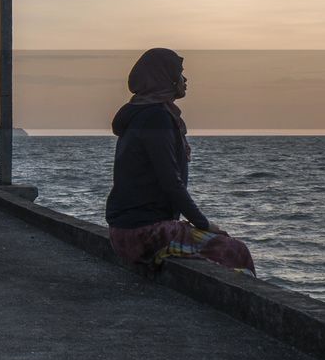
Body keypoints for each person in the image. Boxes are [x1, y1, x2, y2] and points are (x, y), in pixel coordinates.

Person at [105, 48, 256, 274]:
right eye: (179, 74)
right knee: (236, 251)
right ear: (164, 78)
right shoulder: (156, 118)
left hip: (123, 231)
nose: (185, 80)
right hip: (143, 233)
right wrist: (204, 224)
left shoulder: (140, 114)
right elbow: (170, 181)